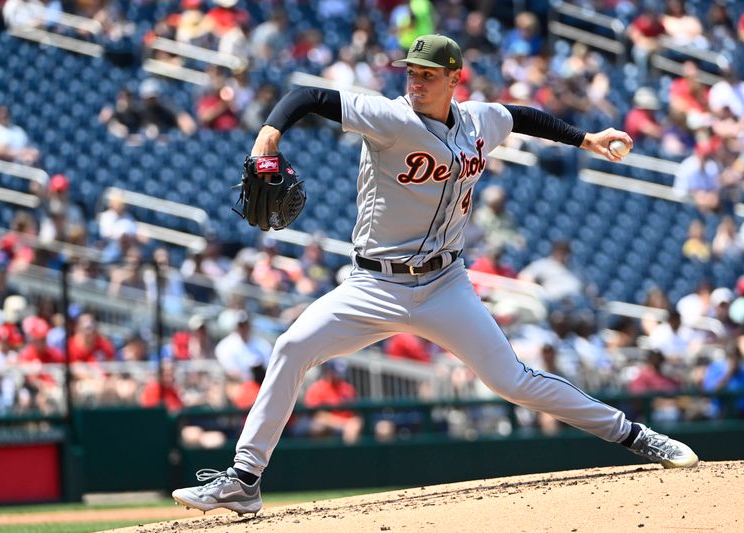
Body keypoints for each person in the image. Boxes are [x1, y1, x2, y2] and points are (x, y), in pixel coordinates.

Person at [172, 34, 698, 517]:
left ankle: (635, 435)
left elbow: (521, 116)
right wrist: (268, 137)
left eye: (427, 74)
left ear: (454, 79)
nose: (416, 81)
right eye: (411, 73)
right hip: (374, 284)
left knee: (511, 380)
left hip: (446, 284)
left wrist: (585, 139)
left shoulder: (478, 122)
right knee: (290, 347)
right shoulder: (390, 118)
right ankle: (244, 479)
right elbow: (308, 96)